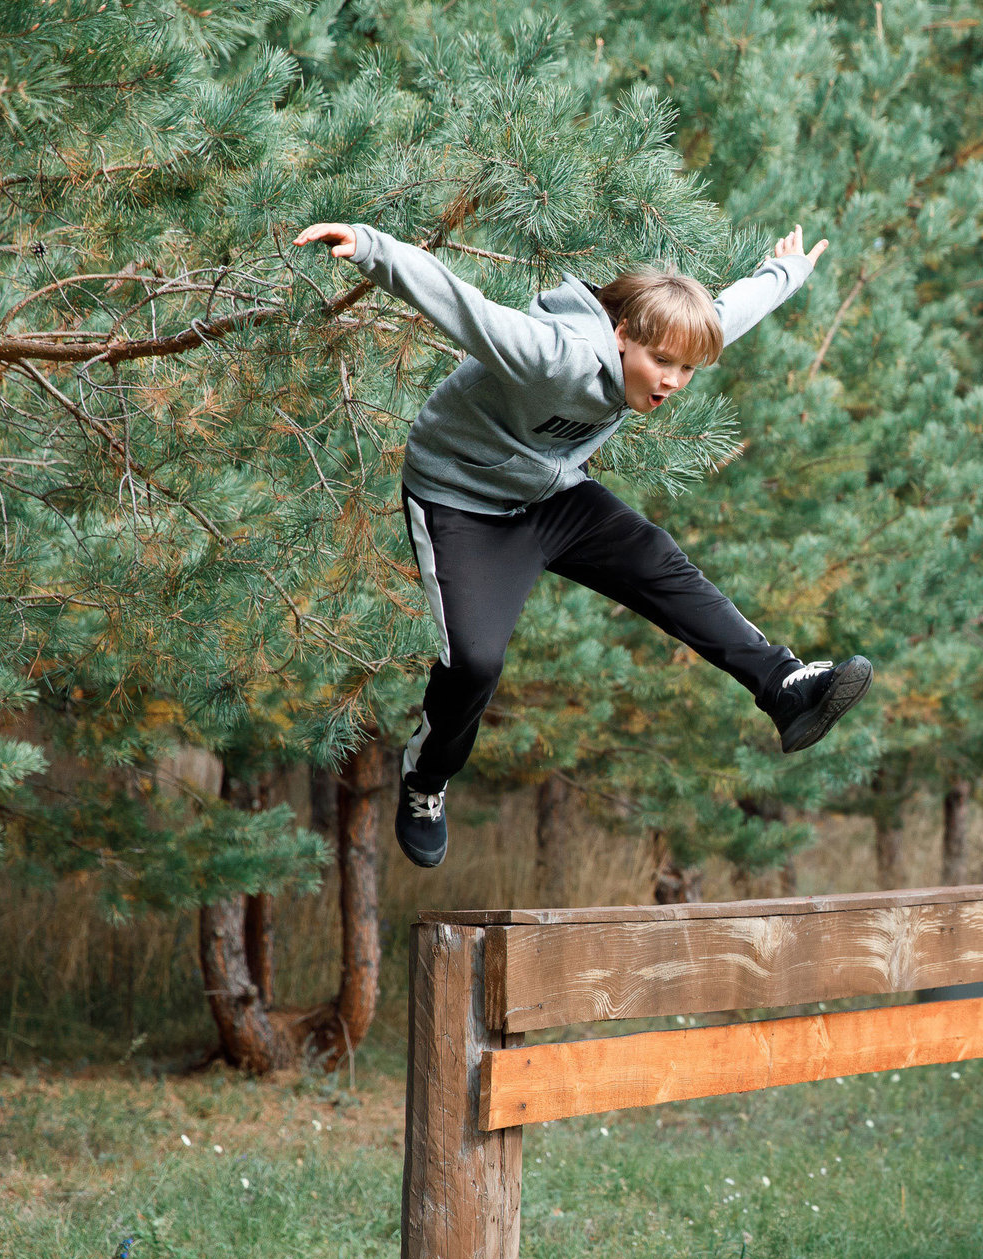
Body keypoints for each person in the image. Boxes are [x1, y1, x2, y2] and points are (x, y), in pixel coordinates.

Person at [291, 220, 874, 868]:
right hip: (461, 501)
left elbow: (730, 312)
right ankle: (426, 778)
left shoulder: (659, 353)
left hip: (551, 493)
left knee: (657, 558)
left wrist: (785, 272)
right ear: (622, 334)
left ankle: (785, 684)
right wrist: (373, 247)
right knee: (475, 663)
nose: (673, 382)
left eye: (685, 369)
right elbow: (465, 309)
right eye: (662, 363)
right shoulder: (556, 354)